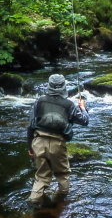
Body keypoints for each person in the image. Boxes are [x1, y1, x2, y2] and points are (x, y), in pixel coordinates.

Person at [27, 74, 89, 202]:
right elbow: (84, 121)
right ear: (63, 87)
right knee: (62, 174)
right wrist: (83, 108)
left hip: (38, 142)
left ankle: (33, 203)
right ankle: (61, 203)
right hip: (58, 144)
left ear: (49, 86)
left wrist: (30, 147)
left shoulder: (39, 101)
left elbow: (30, 125)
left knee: (41, 176)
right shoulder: (69, 105)